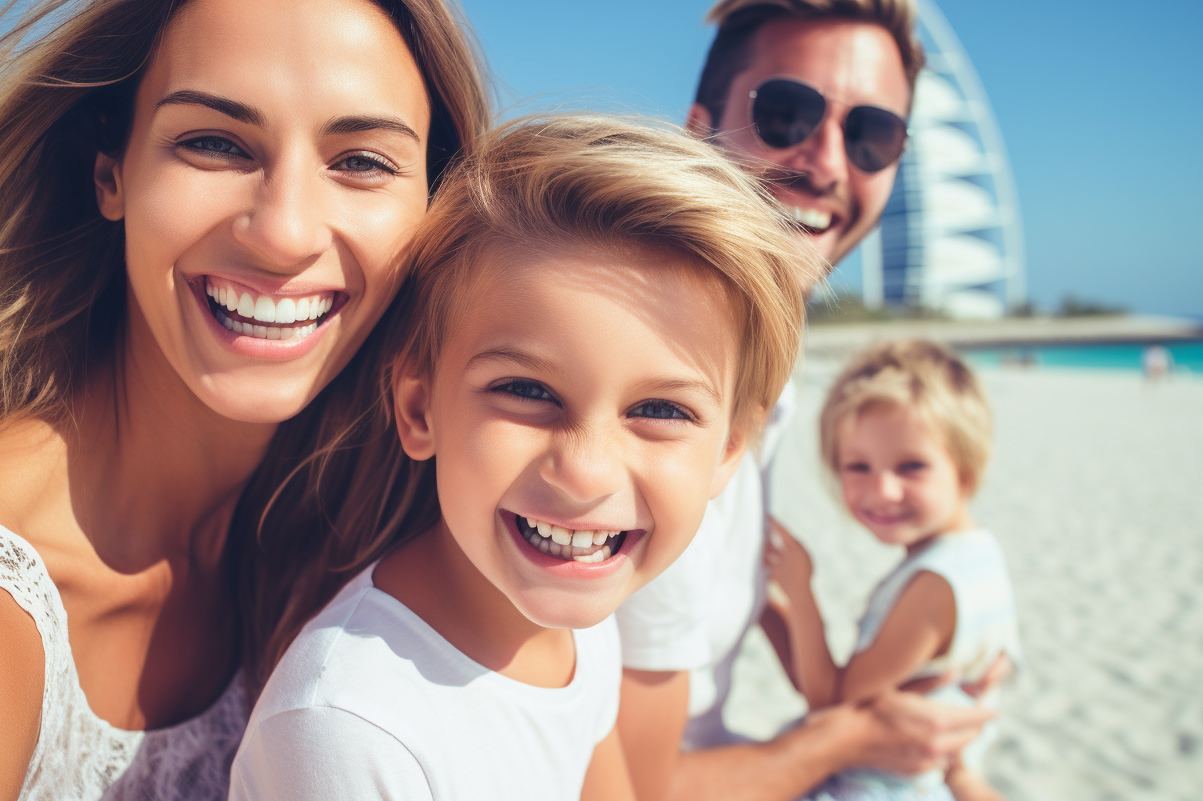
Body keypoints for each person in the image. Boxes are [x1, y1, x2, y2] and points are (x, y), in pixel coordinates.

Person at [0, 0, 488, 798]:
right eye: (216, 143)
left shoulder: (352, 545)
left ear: (434, 207)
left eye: (360, 161)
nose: (284, 232)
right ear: (111, 175)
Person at [227, 115, 813, 800]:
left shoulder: (582, 619)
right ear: (420, 410)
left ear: (728, 453)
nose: (587, 472)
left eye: (660, 410)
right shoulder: (348, 728)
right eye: (527, 391)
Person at [614, 0, 1005, 800]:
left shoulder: (766, 382)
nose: (827, 162)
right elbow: (625, 788)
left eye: (872, 134)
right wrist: (859, 734)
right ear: (696, 130)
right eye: (786, 112)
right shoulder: (656, 395)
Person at [765, 340, 1021, 800]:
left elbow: (831, 703)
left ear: (967, 467)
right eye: (857, 466)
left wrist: (799, 594)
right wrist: (764, 608)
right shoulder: (978, 555)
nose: (882, 489)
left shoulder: (935, 587)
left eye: (911, 466)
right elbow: (829, 685)